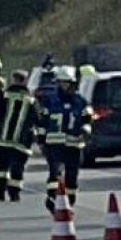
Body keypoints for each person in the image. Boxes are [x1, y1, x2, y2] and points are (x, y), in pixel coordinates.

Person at [40, 72, 90, 212]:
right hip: (54, 143)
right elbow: (43, 121)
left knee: (72, 176)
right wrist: (41, 139)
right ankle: (52, 199)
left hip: (74, 144)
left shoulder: (80, 101)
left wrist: (85, 131)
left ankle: (69, 202)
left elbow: (88, 119)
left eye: (66, 83)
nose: (64, 86)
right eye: (61, 83)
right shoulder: (50, 100)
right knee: (55, 172)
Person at [0, 70, 40, 203]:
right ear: (25, 81)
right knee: (18, 167)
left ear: (14, 80)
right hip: (22, 141)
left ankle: (1, 191)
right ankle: (14, 194)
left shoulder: (6, 95)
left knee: (3, 166)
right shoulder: (31, 100)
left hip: (4, 138)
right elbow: (38, 119)